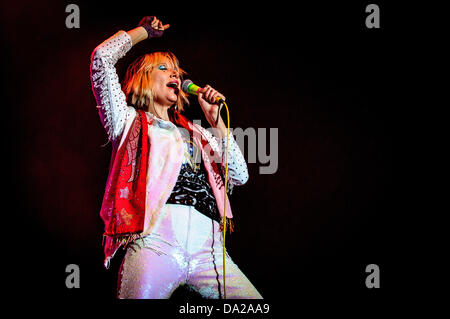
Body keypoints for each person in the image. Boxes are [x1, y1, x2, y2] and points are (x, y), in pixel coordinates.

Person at [90, 16, 262, 299]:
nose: (176, 76)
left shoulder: (198, 133)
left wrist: (216, 123)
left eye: (177, 71)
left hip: (210, 252)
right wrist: (143, 32)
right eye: (164, 68)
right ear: (142, 79)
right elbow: (101, 58)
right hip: (156, 244)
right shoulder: (128, 121)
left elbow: (240, 175)